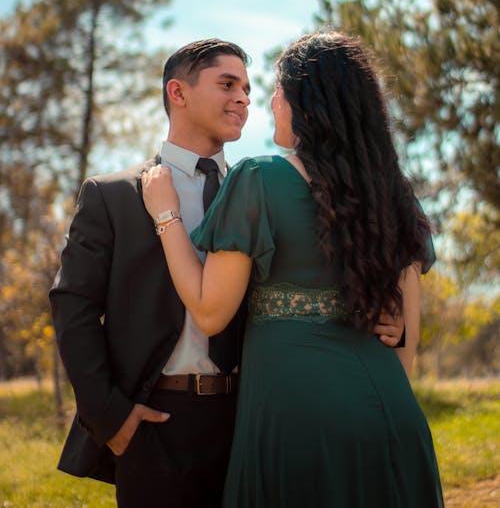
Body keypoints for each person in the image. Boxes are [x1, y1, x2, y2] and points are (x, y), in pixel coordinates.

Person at [50, 36, 403, 508]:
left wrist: (386, 323)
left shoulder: (264, 188)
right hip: (153, 421)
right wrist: (109, 415)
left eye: (248, 88)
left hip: (253, 414)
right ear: (178, 92)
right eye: (227, 83)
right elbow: (73, 306)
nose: (244, 98)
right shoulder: (112, 195)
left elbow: (310, 285)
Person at [142, 30, 444, 508]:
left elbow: (209, 311)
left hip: (297, 419)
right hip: (390, 413)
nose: (269, 101)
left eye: (278, 89)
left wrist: (166, 214)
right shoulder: (393, 191)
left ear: (307, 99)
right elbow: (404, 343)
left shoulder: (260, 177)